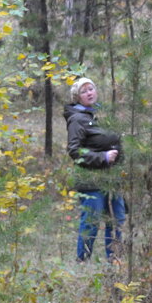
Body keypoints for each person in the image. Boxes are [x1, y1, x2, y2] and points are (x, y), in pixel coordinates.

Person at [65, 76, 127, 262]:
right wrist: (102, 157)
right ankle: (82, 261)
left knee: (116, 219)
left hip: (112, 178)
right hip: (91, 180)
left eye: (91, 89)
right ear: (77, 97)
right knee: (91, 222)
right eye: (83, 91)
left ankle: (114, 261)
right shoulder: (77, 119)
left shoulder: (101, 115)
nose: (89, 93)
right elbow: (74, 151)